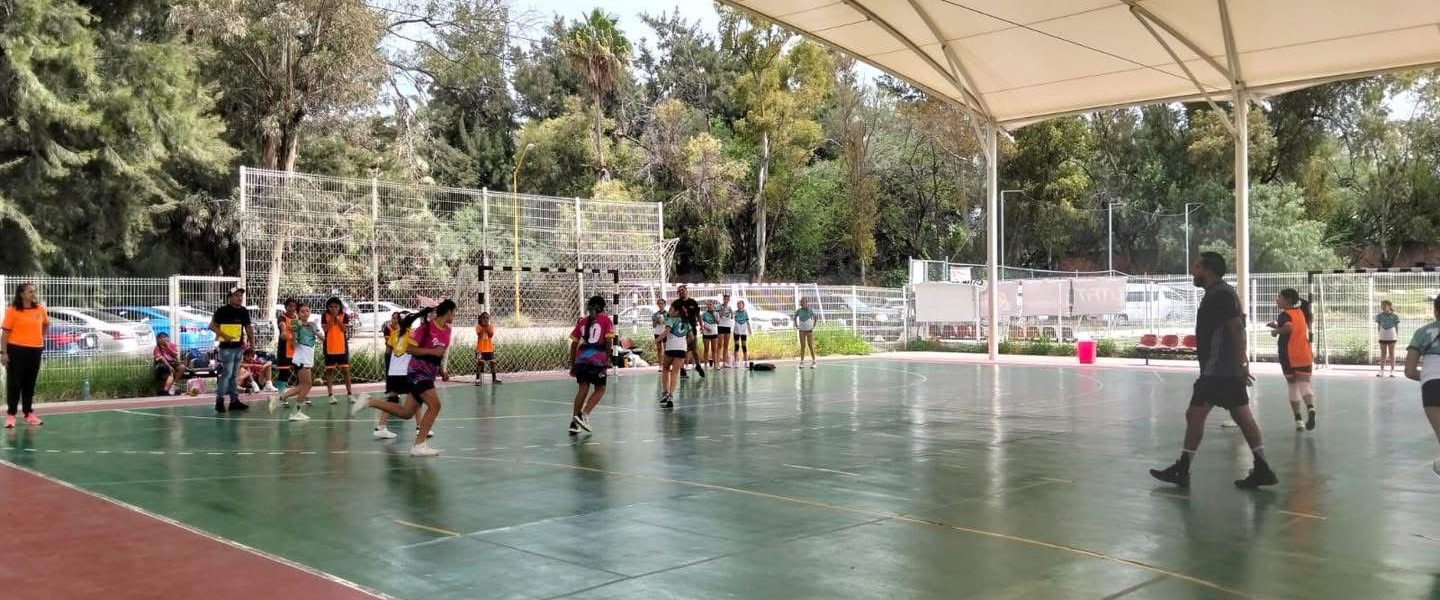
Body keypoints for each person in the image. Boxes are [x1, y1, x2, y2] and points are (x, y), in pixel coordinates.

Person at [1150, 253, 1277, 489]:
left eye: (1197, 267)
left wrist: (1242, 362)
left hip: (1218, 370)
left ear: (1208, 270)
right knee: (1241, 416)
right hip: (1224, 369)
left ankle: (1182, 470)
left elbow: (1236, 327)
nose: (1193, 271)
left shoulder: (1220, 294)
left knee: (1195, 414)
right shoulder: (1220, 293)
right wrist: (1239, 363)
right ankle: (1262, 468)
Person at [351, 300, 455, 457]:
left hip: (429, 374)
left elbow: (438, 354)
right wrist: (431, 352)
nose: (454, 316)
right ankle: (419, 444)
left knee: (406, 413)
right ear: (448, 312)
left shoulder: (447, 331)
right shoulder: (426, 328)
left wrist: (441, 370)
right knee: (435, 405)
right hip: (417, 372)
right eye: (454, 312)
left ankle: (369, 401)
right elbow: (410, 349)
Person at [1401, 295, 1440, 478]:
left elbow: (1409, 371)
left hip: (1432, 388)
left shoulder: (1422, 332)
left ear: (1436, 310)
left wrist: (1428, 377)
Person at [1269, 289, 1316, 432]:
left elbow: (1289, 328)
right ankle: (1311, 408)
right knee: (1304, 385)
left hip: (1289, 356)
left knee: (1293, 386)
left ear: (1288, 300)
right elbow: (1294, 328)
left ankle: (1298, 420)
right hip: (1304, 354)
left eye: (1279, 297)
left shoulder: (1285, 314)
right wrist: (1278, 326)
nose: (1277, 299)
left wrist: (1276, 331)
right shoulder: (1301, 312)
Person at [2, 283, 48, 427]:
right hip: (16, 350)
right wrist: (3, 353)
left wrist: (40, 338)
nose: (33, 294)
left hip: (35, 351)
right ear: (21, 294)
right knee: (14, 384)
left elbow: (46, 324)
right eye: (30, 292)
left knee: (30, 384)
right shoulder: (12, 310)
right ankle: (11, 415)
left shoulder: (40, 309)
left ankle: (29, 414)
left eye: (34, 291)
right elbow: (5, 333)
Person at [567, 295, 615, 434]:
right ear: (602, 308)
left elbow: (574, 344)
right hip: (597, 360)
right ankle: (584, 414)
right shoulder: (606, 320)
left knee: (583, 388)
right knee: (600, 388)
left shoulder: (582, 322)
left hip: (581, 359)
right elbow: (608, 341)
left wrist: (573, 364)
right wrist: (608, 358)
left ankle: (574, 423)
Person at [373, 310, 420, 440]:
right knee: (415, 398)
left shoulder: (394, 334)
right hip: (406, 372)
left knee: (392, 398)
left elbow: (388, 353)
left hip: (393, 372)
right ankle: (420, 427)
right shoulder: (413, 334)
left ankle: (381, 426)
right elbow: (417, 351)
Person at [208, 287, 255, 413]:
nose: (239, 298)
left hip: (238, 347)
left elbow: (248, 327)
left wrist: (252, 344)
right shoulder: (222, 311)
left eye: (241, 295)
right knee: (227, 374)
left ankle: (234, 401)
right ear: (230, 297)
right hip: (226, 348)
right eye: (236, 295)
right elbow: (212, 326)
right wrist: (225, 336)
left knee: (234, 375)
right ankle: (219, 401)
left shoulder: (244, 311)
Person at [274, 302, 319, 420]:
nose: (305, 313)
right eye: (302, 311)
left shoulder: (312, 325)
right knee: (307, 385)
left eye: (307, 311)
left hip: (308, 358)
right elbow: (294, 342)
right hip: (301, 358)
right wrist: (296, 333)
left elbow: (323, 338)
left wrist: (315, 330)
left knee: (303, 385)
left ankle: (280, 398)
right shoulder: (296, 324)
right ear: (298, 313)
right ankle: (296, 412)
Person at [321, 297, 353, 403]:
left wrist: (337, 319)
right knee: (329, 371)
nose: (333, 309)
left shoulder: (345, 316)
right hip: (329, 348)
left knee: (346, 371)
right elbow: (325, 329)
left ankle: (350, 394)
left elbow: (344, 329)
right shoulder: (324, 316)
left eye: (336, 306)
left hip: (342, 348)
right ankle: (331, 395)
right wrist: (332, 318)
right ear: (327, 307)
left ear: (340, 307)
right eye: (331, 307)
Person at [660, 304, 689, 408]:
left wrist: (657, 340)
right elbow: (691, 336)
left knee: (665, 368)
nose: (669, 311)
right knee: (675, 373)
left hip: (671, 348)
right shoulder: (686, 322)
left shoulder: (671, 320)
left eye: (671, 309)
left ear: (676, 312)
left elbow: (666, 331)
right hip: (681, 349)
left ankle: (665, 392)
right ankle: (671, 396)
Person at [672, 285, 704, 378]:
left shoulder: (693, 302)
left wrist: (702, 325)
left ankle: (698, 366)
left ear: (686, 291)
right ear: (678, 293)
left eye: (683, 290)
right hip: (680, 330)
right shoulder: (676, 303)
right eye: (679, 291)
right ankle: (682, 369)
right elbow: (671, 314)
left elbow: (698, 315)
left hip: (692, 329)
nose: (681, 291)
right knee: (683, 350)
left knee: (694, 350)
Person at [273, 299, 298, 395]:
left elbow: (297, 331)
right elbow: (282, 325)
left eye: (294, 306)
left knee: (300, 372)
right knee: (284, 373)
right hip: (284, 350)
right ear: (285, 307)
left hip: (295, 350)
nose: (292, 308)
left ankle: (301, 395)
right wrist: (283, 332)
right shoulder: (282, 317)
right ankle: (281, 394)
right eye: (290, 306)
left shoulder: (296, 318)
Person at [475, 311, 501, 385]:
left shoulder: (491, 326)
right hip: (480, 349)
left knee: (492, 363)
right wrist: (483, 326)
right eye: (483, 318)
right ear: (480, 319)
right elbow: (479, 334)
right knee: (480, 363)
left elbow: (490, 335)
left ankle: (494, 378)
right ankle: (477, 379)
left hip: (489, 349)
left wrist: (486, 326)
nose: (485, 319)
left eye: (487, 318)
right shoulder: (478, 326)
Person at [1377, 300, 1400, 378]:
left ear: (1389, 305)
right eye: (1382, 305)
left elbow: (1396, 327)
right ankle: (1381, 370)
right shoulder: (1379, 316)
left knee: (1391, 353)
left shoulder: (1395, 316)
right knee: (1383, 353)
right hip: (1383, 335)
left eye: (1385, 305)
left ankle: (1392, 371)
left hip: (1392, 335)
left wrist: (1396, 336)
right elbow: (1378, 327)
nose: (1383, 306)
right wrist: (1380, 335)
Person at [794, 297, 817, 368]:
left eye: (804, 302)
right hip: (802, 331)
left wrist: (814, 325)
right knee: (803, 346)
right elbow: (795, 317)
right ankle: (802, 362)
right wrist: (796, 325)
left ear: (806, 303)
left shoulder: (810, 310)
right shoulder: (799, 311)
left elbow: (815, 317)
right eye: (802, 302)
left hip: (809, 330)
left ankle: (814, 362)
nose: (803, 303)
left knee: (810, 346)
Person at [700, 300, 720, 369]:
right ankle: (705, 364)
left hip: (714, 333)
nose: (709, 306)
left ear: (713, 306)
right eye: (708, 305)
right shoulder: (704, 313)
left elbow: (718, 322)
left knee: (714, 349)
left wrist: (713, 314)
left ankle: (715, 364)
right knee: (706, 349)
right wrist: (705, 327)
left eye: (710, 305)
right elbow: (700, 322)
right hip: (706, 334)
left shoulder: (716, 313)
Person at [718, 293, 735, 368]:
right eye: (725, 299)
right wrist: (724, 307)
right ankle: (717, 362)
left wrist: (732, 314)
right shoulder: (719, 306)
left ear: (729, 300)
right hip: (721, 326)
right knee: (719, 345)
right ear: (723, 299)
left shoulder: (730, 307)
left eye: (728, 299)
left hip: (728, 326)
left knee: (726, 345)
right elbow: (721, 316)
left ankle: (724, 362)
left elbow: (731, 318)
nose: (726, 300)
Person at [651, 298, 668, 373]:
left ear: (664, 304)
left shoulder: (668, 314)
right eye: (659, 303)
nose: (660, 305)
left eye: (662, 303)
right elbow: (654, 326)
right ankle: (660, 365)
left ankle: (666, 365)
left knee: (666, 349)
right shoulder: (655, 314)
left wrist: (664, 321)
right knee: (659, 349)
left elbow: (669, 324)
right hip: (657, 333)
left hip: (665, 332)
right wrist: (656, 321)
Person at [733, 300, 752, 366]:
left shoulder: (745, 312)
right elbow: (732, 317)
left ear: (743, 305)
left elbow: (747, 322)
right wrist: (732, 314)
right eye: (738, 304)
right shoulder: (735, 312)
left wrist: (749, 330)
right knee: (737, 346)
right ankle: (736, 361)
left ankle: (746, 361)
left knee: (744, 346)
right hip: (737, 331)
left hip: (743, 331)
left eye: (740, 304)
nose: (739, 305)